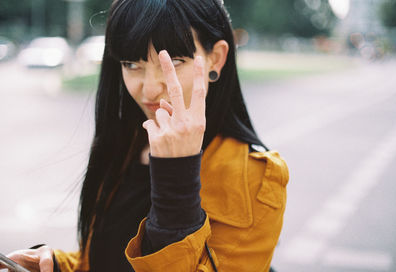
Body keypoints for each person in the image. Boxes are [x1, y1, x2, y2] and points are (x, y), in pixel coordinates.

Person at [1, 0, 289, 271]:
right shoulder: (128, 144)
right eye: (132, 64)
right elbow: (105, 259)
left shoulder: (256, 177)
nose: (150, 89)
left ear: (215, 58)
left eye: (174, 61)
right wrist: (57, 264)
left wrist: (176, 177)